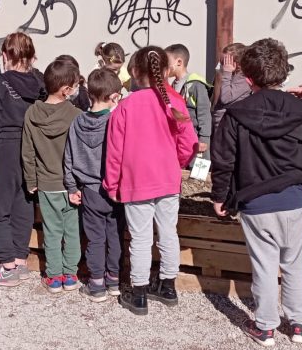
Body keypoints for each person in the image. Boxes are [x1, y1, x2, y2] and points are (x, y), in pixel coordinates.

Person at [211, 38, 302, 347]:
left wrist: (219, 196)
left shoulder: (235, 114)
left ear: (248, 78)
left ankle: (265, 326)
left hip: (255, 201)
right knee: (295, 263)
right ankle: (299, 324)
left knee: (264, 266)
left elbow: (223, 160)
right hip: (293, 199)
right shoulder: (298, 110)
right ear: (284, 73)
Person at [103, 46, 197, 315]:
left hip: (136, 181)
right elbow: (188, 143)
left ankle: (140, 292)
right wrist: (174, 163)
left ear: (133, 72)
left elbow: (114, 152)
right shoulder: (174, 102)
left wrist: (112, 184)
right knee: (168, 233)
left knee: (141, 238)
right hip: (167, 179)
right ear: (166, 71)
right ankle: (168, 286)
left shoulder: (125, 107)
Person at [0, 32, 46, 286]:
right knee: (24, 203)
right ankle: (20, 259)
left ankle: (6, 266)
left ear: (5, 55)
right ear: (32, 55)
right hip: (33, 147)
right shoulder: (41, 83)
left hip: (6, 147)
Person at [22, 56, 83, 293]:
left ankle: (54, 276)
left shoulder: (31, 113)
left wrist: (31, 179)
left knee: (52, 231)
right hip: (71, 185)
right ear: (66, 89)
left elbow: (27, 150)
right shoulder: (75, 115)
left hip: (46, 185)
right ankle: (71, 274)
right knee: (72, 232)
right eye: (75, 86)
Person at [63, 68, 125, 303]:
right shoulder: (115, 122)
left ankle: (96, 282)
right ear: (114, 96)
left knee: (95, 238)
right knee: (115, 234)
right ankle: (114, 279)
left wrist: (71, 186)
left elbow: (69, 157)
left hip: (89, 189)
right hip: (114, 188)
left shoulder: (77, 122)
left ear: (89, 94)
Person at [167, 43, 212, 161]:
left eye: (167, 61)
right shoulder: (172, 85)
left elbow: (204, 113)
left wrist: (204, 139)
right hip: (180, 139)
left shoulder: (196, 84)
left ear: (179, 62)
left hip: (195, 140)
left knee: (195, 169)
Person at [212, 42, 250, 130]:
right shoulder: (228, 75)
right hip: (219, 122)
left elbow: (225, 98)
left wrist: (227, 73)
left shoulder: (243, 79)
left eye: (224, 62)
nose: (222, 65)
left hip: (228, 126)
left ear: (237, 63)